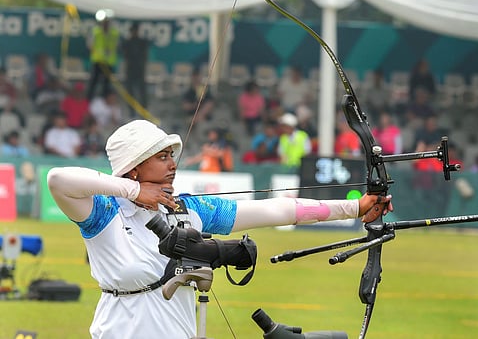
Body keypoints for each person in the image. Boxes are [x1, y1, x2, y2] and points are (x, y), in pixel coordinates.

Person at [46, 119, 393, 339]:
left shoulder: (188, 208)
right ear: (133, 168)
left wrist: (353, 207)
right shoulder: (102, 212)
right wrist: (135, 192)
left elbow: (275, 210)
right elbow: (58, 179)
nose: (173, 163)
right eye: (161, 156)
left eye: (171, 154)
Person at [86, 9, 120, 101]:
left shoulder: (114, 33)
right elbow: (89, 45)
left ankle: (105, 103)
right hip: (97, 61)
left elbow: (117, 45)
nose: (106, 23)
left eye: (107, 21)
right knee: (93, 83)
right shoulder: (95, 31)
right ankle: (88, 103)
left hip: (109, 62)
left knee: (106, 85)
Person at [122, 22, 149, 109]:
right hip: (130, 70)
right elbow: (125, 56)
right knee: (130, 93)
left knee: (142, 93)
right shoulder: (127, 42)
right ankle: (131, 111)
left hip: (140, 70)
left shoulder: (142, 42)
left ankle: (144, 111)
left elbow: (145, 55)